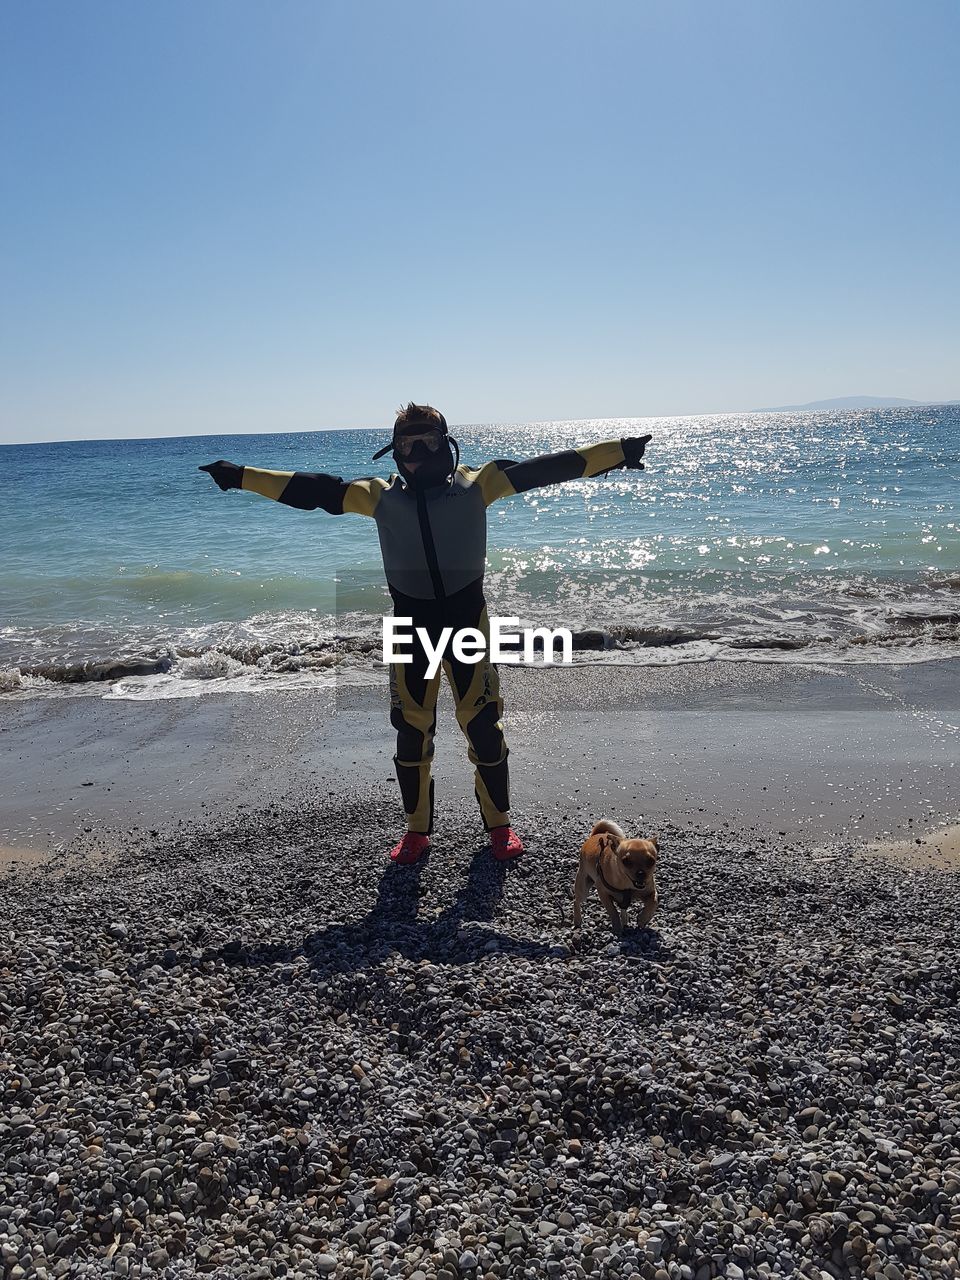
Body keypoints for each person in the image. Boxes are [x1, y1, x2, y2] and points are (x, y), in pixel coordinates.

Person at [200, 404, 651, 864]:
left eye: (428, 442)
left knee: (484, 729)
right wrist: (241, 476)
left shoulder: (479, 485)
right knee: (411, 734)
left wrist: (617, 452)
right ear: (393, 452)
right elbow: (315, 490)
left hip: (467, 622)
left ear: (447, 443)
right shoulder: (378, 496)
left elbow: (548, 467)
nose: (416, 453)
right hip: (409, 628)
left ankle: (499, 828)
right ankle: (416, 832)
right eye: (406, 445)